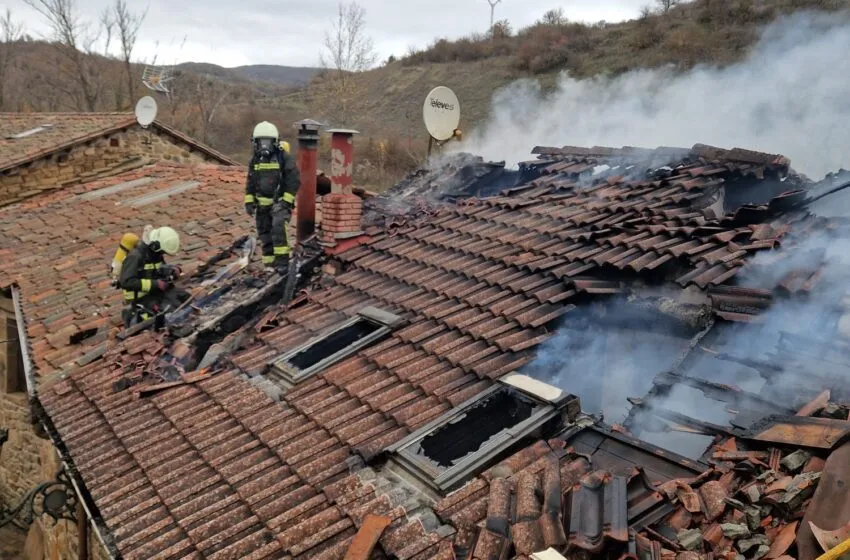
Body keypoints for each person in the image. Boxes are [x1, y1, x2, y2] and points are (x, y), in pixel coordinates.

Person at [244, 122, 300, 271]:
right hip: (262, 205)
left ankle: (282, 264)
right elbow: (251, 181)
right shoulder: (255, 160)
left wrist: (285, 202)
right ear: (255, 142)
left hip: (280, 203)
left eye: (267, 142)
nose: (264, 146)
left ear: (274, 142)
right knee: (264, 232)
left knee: (278, 229)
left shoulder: (284, 158)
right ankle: (269, 264)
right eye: (261, 142)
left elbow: (293, 180)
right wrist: (249, 201)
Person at [119, 226, 187, 326]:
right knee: (170, 314)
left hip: (157, 292)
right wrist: (155, 284)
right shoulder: (135, 257)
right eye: (162, 251)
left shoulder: (155, 253)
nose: (162, 254)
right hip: (142, 298)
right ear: (155, 246)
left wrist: (172, 270)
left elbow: (159, 268)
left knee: (186, 298)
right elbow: (126, 282)